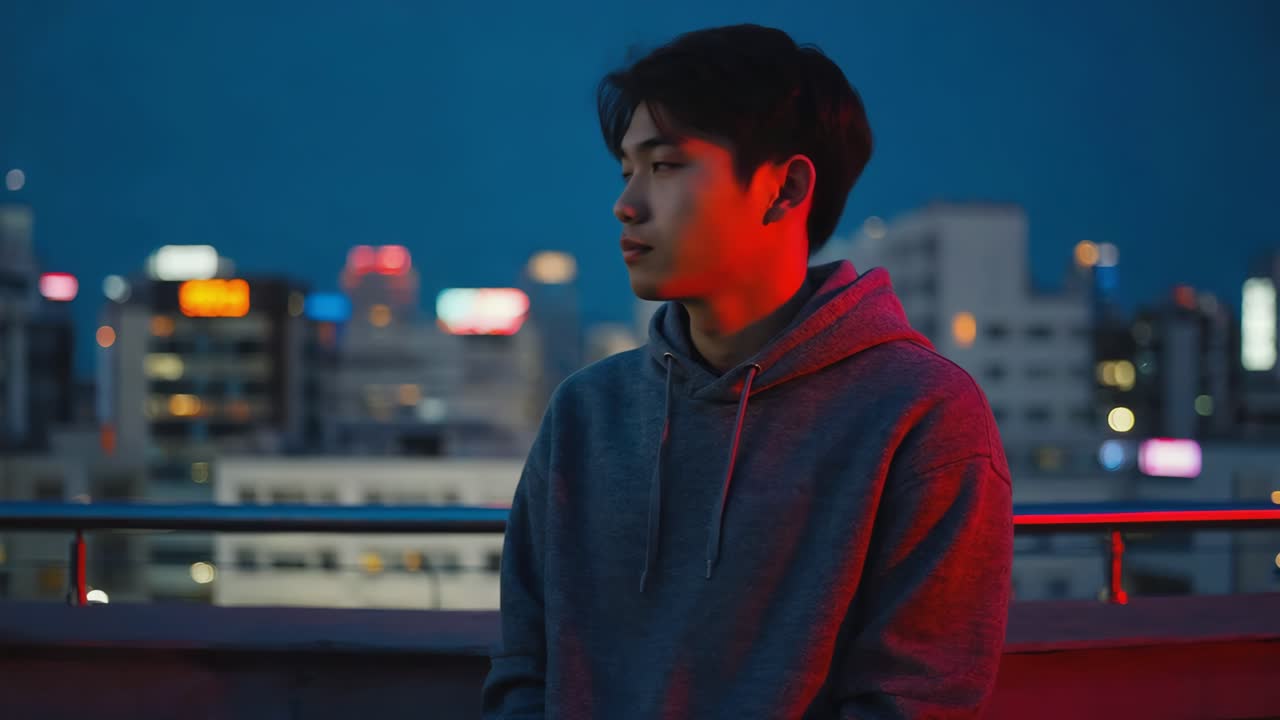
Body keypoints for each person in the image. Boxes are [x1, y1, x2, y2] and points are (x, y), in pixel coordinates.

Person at [482, 23, 1013, 719]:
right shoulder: (587, 412)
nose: (626, 203)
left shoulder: (921, 416)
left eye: (665, 165)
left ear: (785, 188)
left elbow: (913, 699)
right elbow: (525, 667)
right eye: (625, 170)